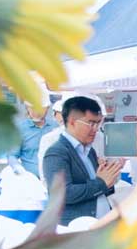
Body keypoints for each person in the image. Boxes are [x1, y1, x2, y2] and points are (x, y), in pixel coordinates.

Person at [42, 96, 122, 225]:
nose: (95, 129)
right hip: (76, 229)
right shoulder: (57, 153)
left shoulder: (89, 151)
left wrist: (109, 177)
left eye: (98, 123)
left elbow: (98, 188)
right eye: (91, 123)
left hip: (99, 224)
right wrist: (101, 182)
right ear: (73, 122)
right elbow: (63, 194)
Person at [8, 93, 56, 178]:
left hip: (53, 179)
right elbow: (12, 155)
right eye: (32, 108)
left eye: (40, 108)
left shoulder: (55, 127)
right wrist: (17, 168)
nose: (36, 112)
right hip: (31, 181)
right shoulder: (20, 128)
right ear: (27, 107)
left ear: (47, 108)